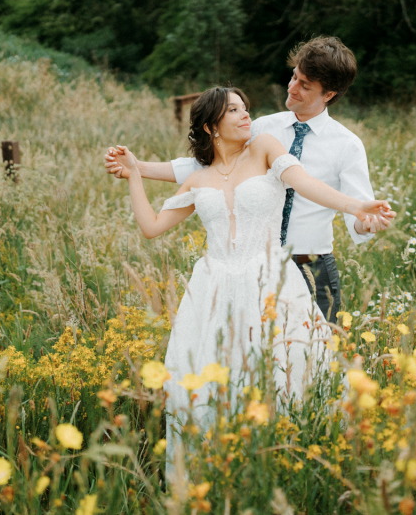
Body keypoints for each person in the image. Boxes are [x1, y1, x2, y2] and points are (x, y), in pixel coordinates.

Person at [104, 86, 393, 478]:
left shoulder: (265, 148)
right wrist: (135, 174)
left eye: (246, 108)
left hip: (270, 279)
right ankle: (218, 473)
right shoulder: (199, 178)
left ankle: (293, 467)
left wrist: (355, 204)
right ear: (211, 127)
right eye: (235, 111)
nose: (246, 116)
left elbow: (304, 182)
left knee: (287, 371)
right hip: (213, 289)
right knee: (211, 381)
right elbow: (152, 227)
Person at [105, 36, 395, 324]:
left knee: (316, 362)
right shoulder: (261, 128)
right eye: (294, 76)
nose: (292, 87)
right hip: (253, 267)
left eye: (304, 85)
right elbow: (211, 168)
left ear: (328, 94)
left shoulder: (347, 144)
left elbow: (356, 209)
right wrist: (138, 168)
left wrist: (363, 218)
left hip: (310, 265)